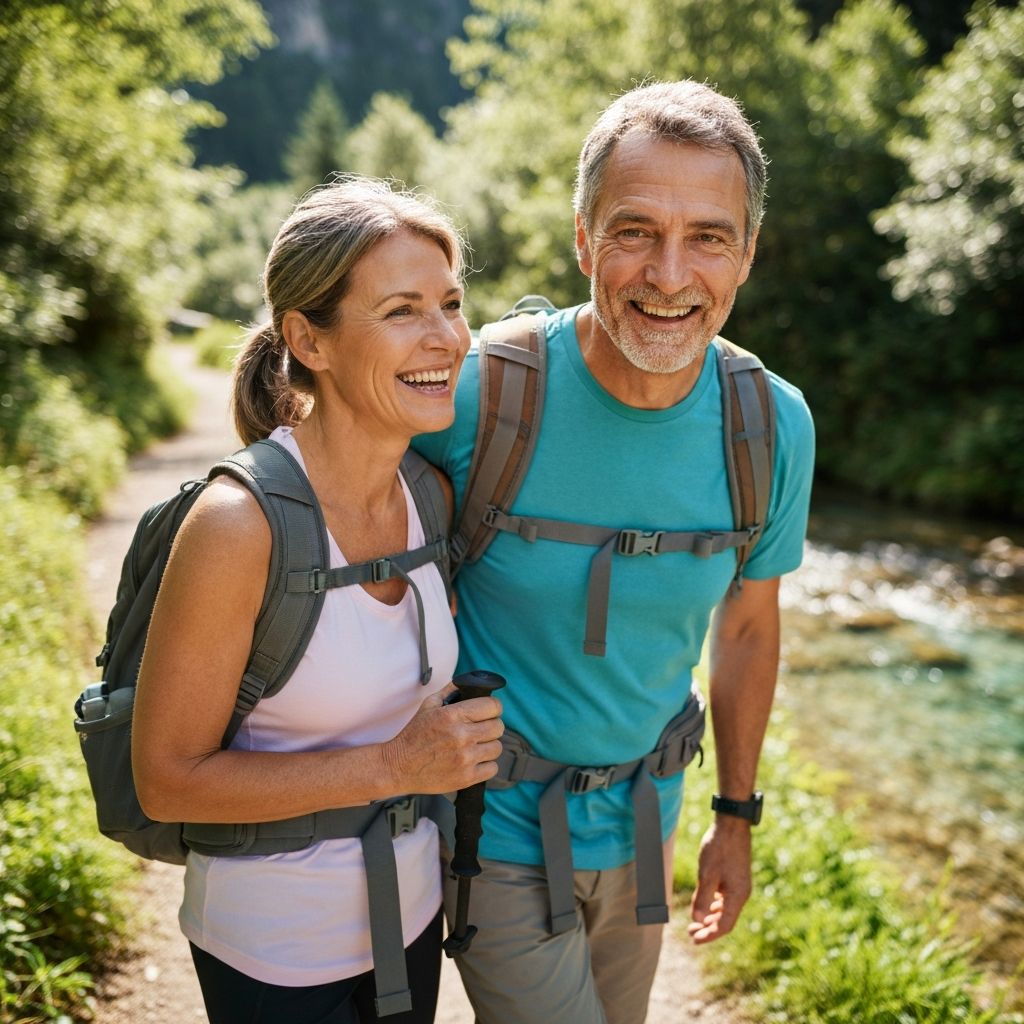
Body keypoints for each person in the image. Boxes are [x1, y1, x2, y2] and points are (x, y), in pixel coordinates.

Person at [413, 80, 815, 1024]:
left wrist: (736, 817)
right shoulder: (479, 395)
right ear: (584, 238)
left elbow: (750, 624)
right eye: (635, 231)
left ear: (747, 255)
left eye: (708, 237)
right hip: (489, 830)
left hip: (645, 826)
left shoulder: (771, 425)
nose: (669, 275)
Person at [131, 177, 505, 1024]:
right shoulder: (239, 524)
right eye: (403, 310)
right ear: (311, 338)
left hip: (411, 923)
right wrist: (393, 766)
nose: (446, 336)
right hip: (273, 952)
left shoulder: (426, 494)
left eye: (450, 303)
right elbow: (165, 780)